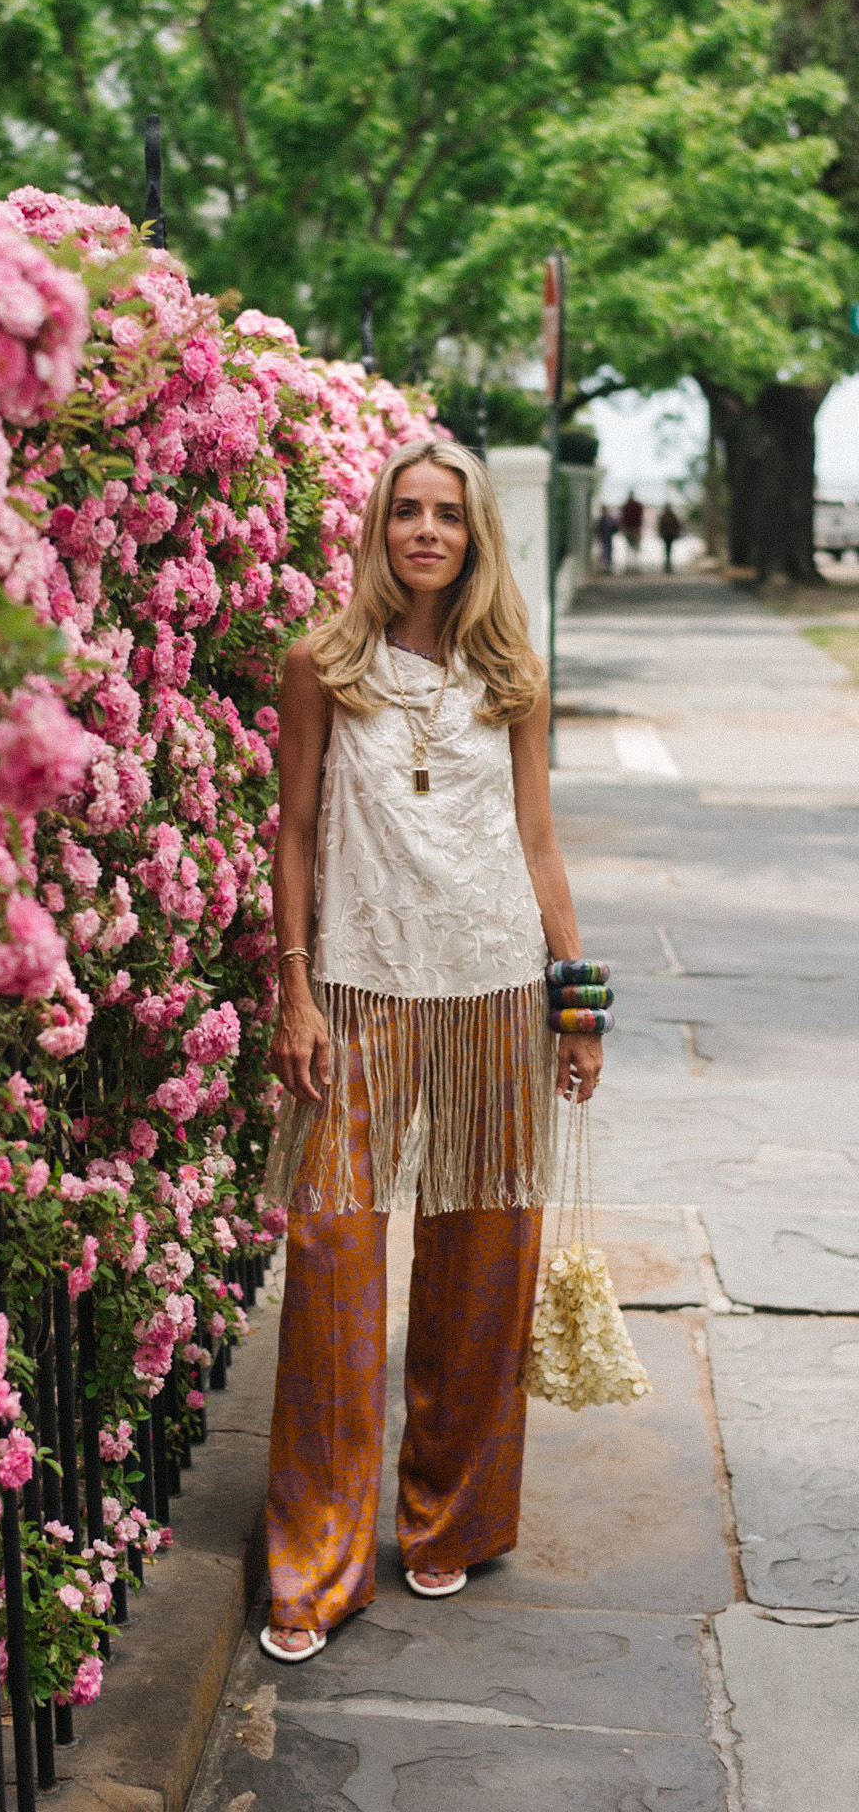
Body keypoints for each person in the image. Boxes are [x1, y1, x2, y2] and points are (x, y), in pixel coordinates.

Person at [262, 438, 602, 1664]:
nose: (423, 531)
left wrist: (581, 1001)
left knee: (481, 1264)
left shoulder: (511, 670)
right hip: (355, 993)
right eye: (404, 511)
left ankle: (447, 1515)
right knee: (333, 1252)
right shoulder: (323, 664)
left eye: (445, 515)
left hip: (496, 991)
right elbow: (293, 835)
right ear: (376, 529)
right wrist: (293, 990)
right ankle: (316, 1559)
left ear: (473, 535)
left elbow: (540, 841)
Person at [619, 492, 644, 567]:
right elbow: (640, 517)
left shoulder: (626, 506)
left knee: (629, 547)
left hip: (630, 528)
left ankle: (630, 564)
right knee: (634, 547)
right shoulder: (636, 505)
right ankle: (634, 564)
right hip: (634, 528)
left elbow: (623, 518)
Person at [657, 503, 681, 574]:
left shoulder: (664, 516)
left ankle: (667, 564)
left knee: (667, 549)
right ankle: (668, 564)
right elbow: (677, 525)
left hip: (667, 535)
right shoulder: (671, 516)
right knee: (668, 549)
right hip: (670, 535)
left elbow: (660, 526)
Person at [595, 505, 619, 572]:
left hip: (608, 537)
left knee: (608, 550)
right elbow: (599, 528)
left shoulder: (610, 519)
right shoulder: (602, 519)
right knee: (605, 550)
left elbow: (615, 528)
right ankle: (605, 565)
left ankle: (607, 565)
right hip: (604, 537)